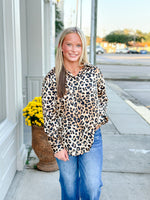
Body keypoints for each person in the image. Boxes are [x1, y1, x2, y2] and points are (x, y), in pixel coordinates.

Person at [42, 27, 108, 200]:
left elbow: (103, 98)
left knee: (92, 185)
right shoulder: (52, 77)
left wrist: (99, 120)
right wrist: (57, 146)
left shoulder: (93, 72)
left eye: (78, 45)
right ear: (61, 46)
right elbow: (49, 114)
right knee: (69, 186)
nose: (73, 49)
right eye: (69, 44)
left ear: (83, 48)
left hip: (92, 137)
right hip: (65, 140)